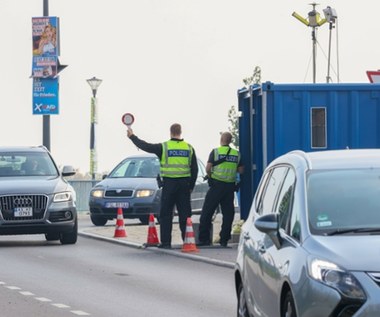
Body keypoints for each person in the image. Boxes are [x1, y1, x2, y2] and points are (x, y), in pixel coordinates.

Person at [127, 123, 198, 249]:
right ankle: (188, 241)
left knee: (165, 214)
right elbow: (195, 169)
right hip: (184, 185)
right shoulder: (189, 148)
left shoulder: (164, 147)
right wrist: (191, 186)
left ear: (170, 132)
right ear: (181, 132)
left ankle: (166, 243)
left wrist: (132, 137)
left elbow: (145, 146)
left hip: (169, 185)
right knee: (185, 215)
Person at [197, 132, 244, 247]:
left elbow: (208, 168)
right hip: (229, 187)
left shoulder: (215, 152)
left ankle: (204, 239)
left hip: (216, 186)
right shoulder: (236, 154)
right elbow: (241, 170)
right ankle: (224, 239)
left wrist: (211, 176)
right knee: (228, 214)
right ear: (230, 141)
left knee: (207, 212)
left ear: (221, 139)